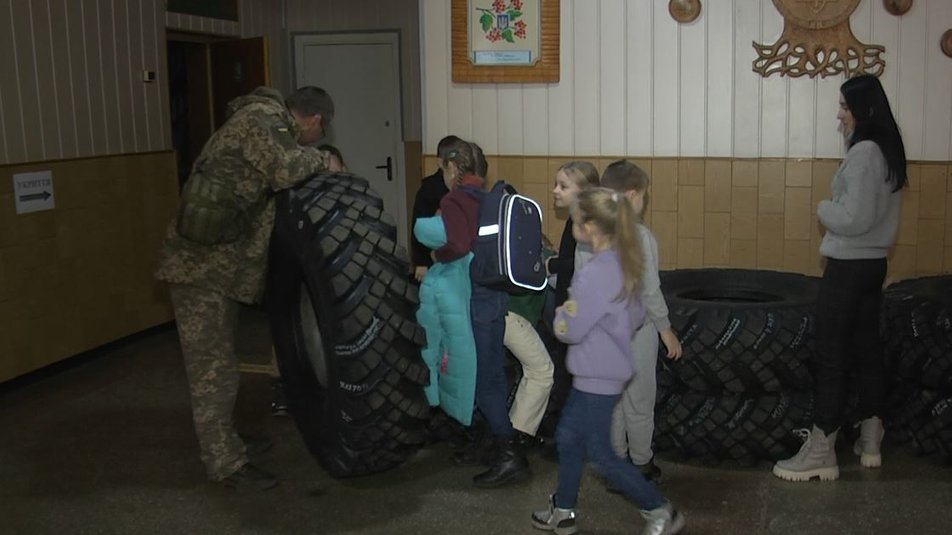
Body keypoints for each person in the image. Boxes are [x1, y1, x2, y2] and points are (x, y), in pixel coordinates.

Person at [155, 86, 334, 490]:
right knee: (212, 370)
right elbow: (286, 170)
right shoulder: (262, 120)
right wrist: (322, 159)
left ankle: (226, 440)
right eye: (318, 135)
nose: (310, 141)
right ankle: (225, 463)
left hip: (213, 269)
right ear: (315, 121)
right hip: (198, 271)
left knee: (220, 363)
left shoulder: (258, 120)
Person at [773, 74, 907, 482]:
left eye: (845, 107)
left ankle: (821, 452)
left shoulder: (864, 153)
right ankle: (871, 437)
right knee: (867, 351)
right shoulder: (887, 150)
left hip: (847, 268)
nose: (839, 114)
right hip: (873, 265)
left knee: (830, 357)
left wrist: (822, 207)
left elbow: (853, 218)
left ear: (864, 110)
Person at [531, 188, 685, 535]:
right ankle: (565, 508)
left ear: (589, 227)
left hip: (596, 375)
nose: (572, 224)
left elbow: (570, 328)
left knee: (601, 454)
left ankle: (660, 509)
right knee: (569, 437)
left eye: (575, 220)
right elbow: (636, 313)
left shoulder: (595, 273)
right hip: (600, 371)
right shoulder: (622, 262)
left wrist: (561, 316)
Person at [434, 138, 530, 487]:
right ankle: (489, 443)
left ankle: (509, 456)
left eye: (445, 167)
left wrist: (437, 254)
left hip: (474, 302)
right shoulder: (492, 200)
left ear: (453, 168)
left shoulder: (453, 199)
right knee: (492, 375)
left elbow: (458, 245)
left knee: (482, 379)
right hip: (496, 299)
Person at [599, 160, 683, 485]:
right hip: (637, 332)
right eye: (644, 196)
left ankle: (615, 464)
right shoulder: (640, 235)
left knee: (614, 401)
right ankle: (642, 463)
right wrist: (665, 329)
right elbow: (649, 288)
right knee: (640, 399)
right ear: (632, 194)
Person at [538, 161, 601, 439]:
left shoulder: (588, 226)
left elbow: (584, 266)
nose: (555, 191)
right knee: (566, 372)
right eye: (556, 184)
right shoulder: (574, 221)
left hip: (581, 316)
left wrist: (553, 265)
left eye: (563, 186)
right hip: (569, 311)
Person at [411, 135, 463, 282]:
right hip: (433, 257)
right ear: (440, 162)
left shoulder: (463, 185)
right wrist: (421, 261)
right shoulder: (429, 188)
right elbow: (418, 225)